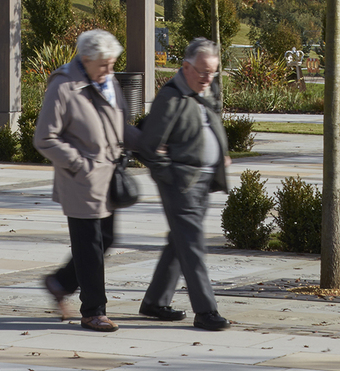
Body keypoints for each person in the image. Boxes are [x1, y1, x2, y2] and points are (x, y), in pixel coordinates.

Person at [34, 28, 139, 333]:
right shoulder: (64, 86)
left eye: (112, 64)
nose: (110, 71)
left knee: (106, 239)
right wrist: (79, 164)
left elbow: (119, 127)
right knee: (90, 247)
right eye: (104, 65)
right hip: (80, 181)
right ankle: (93, 312)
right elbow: (44, 138)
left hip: (107, 178)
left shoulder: (108, 81)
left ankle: (60, 282)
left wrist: (148, 142)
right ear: (85, 59)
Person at [133, 37, 231, 332]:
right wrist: (170, 174)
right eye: (202, 71)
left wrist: (220, 152)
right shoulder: (171, 96)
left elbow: (209, 124)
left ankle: (155, 301)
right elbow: (148, 146)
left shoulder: (204, 91)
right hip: (181, 183)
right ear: (186, 67)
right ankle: (206, 311)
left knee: (179, 243)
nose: (208, 78)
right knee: (192, 246)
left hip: (202, 180)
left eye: (213, 72)